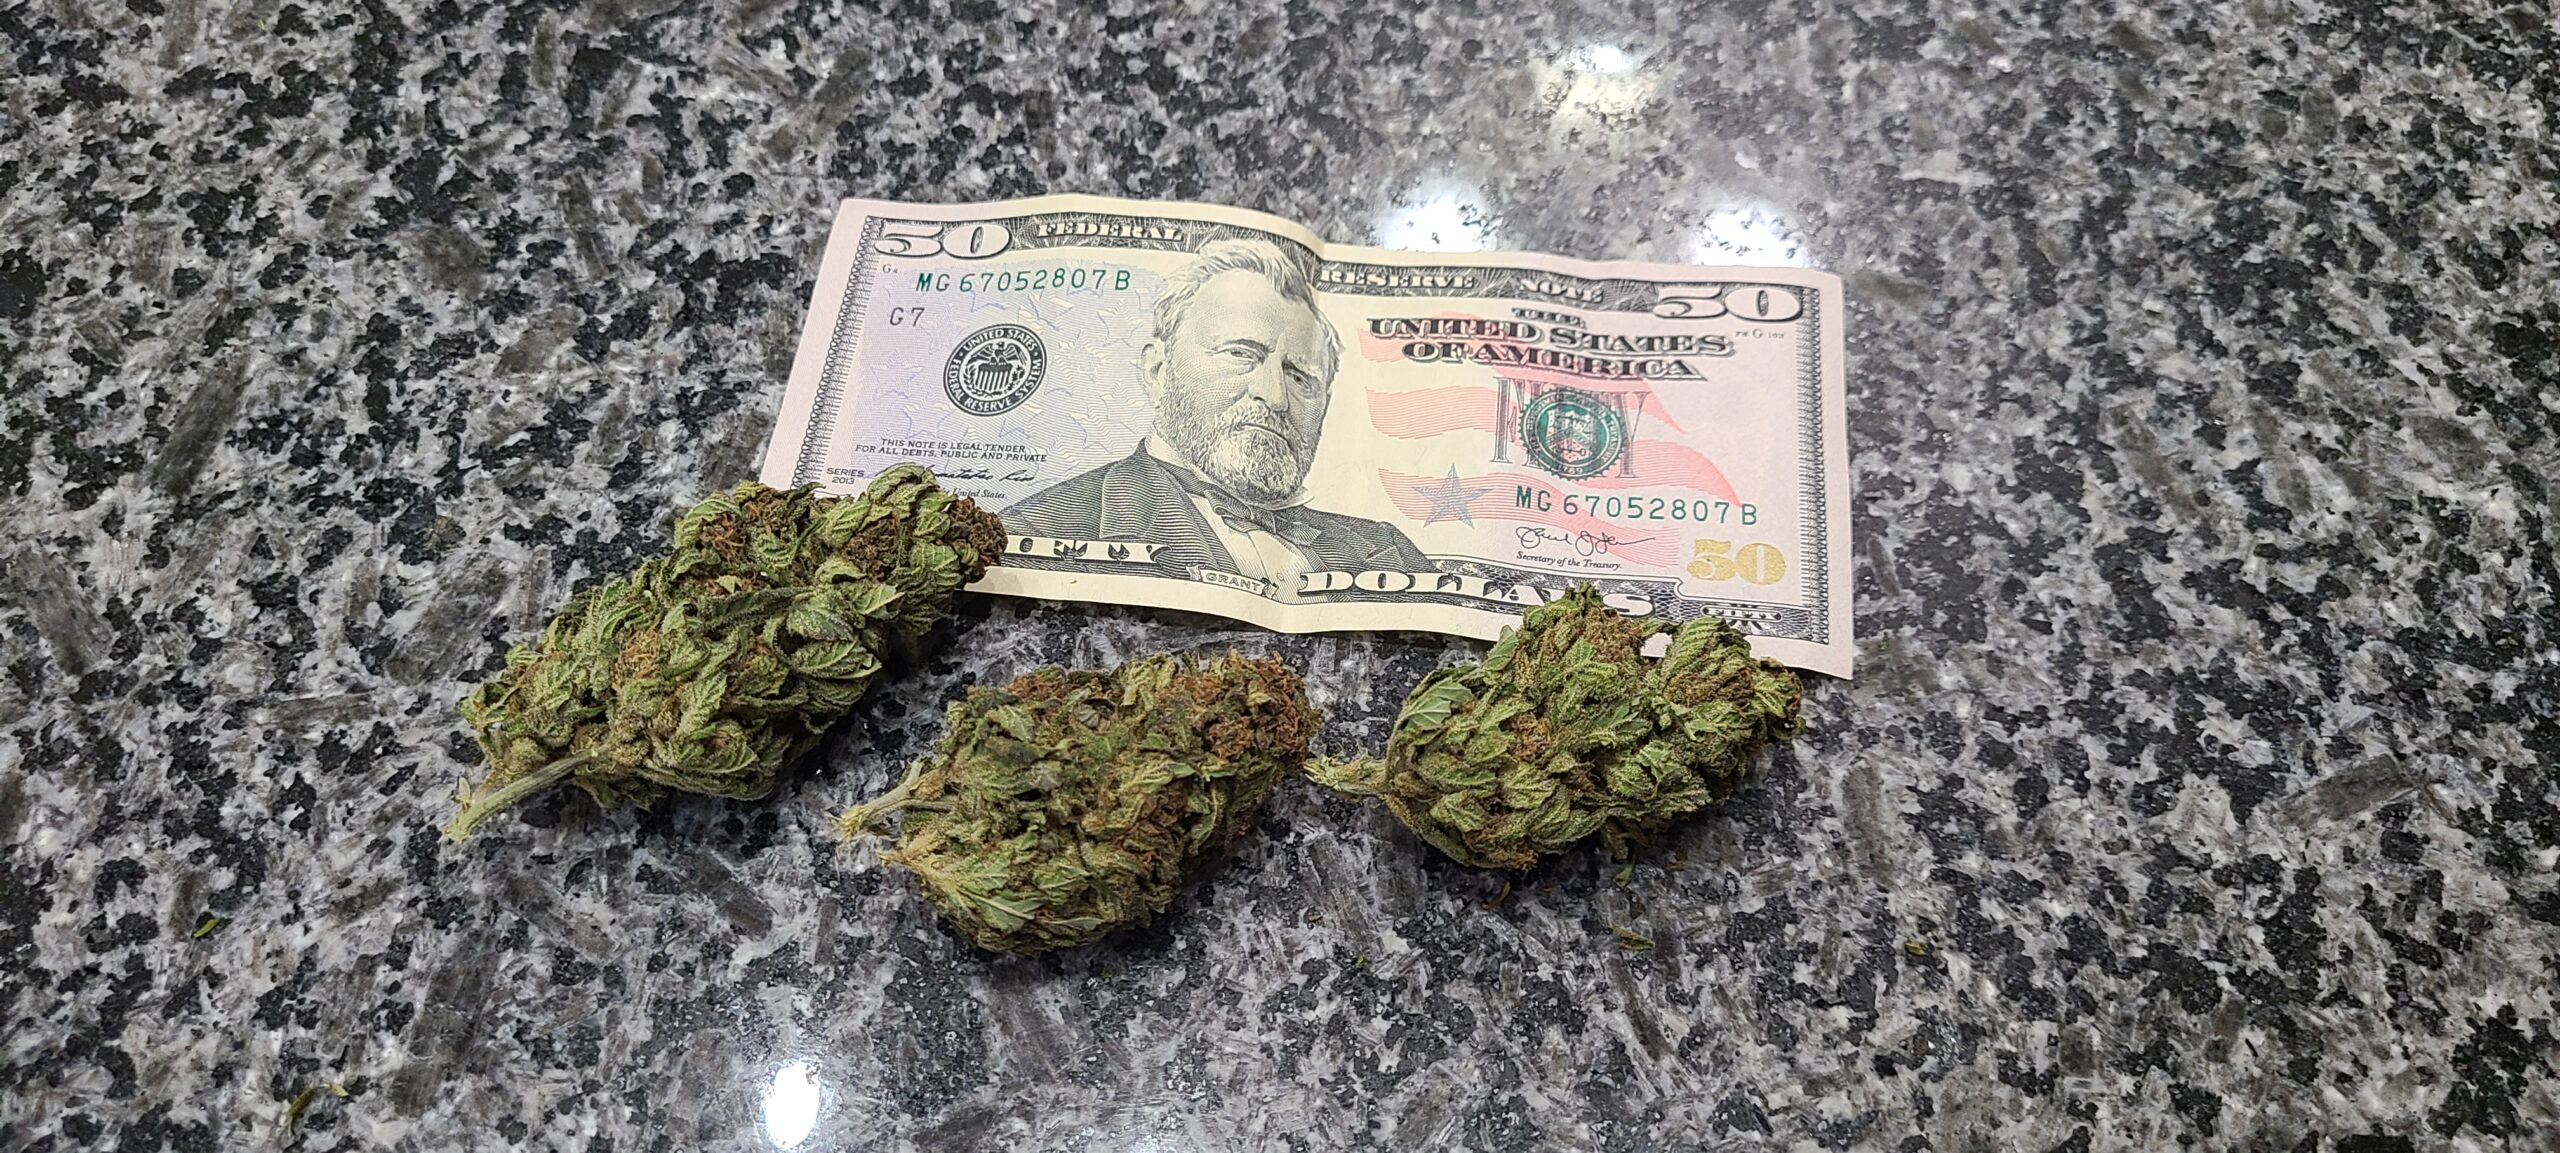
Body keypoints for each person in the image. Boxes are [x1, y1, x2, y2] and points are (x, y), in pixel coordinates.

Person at [1004, 238, 1435, 588]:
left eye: (1300, 377)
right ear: (1158, 370)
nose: (1274, 396)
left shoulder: (1390, 552)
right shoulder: (1036, 531)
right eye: (1240, 353)